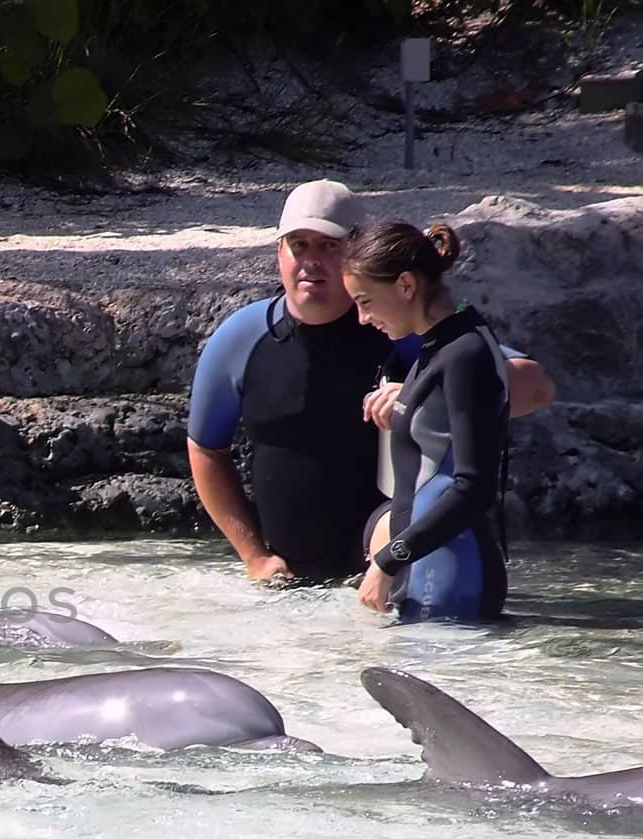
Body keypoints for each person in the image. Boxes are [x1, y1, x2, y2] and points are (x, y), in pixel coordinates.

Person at [186, 180, 554, 585]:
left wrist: (422, 393)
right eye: (299, 245)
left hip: (383, 564)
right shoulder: (243, 336)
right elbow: (205, 447)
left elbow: (535, 387)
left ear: (358, 253)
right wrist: (254, 556)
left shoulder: (397, 324)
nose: (311, 261)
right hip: (285, 579)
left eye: (329, 246)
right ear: (279, 253)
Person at [346, 221, 509, 622]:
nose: (362, 319)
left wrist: (388, 560)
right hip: (427, 565)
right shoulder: (442, 342)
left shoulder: (464, 352)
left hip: (452, 574)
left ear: (405, 285)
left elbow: (473, 486)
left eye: (365, 301)